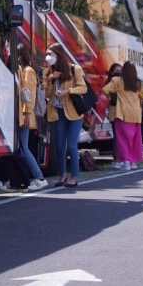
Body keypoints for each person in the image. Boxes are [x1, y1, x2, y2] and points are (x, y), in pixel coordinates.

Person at [43, 43, 88, 188]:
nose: (48, 57)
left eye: (51, 54)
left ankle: (74, 177)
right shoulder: (47, 72)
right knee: (59, 146)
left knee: (72, 147)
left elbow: (83, 88)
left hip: (74, 113)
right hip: (57, 112)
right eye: (47, 54)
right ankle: (62, 175)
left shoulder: (75, 69)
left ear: (59, 55)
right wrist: (50, 80)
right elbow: (47, 94)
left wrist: (67, 91)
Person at [103, 61, 143, 170]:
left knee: (122, 139)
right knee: (134, 139)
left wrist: (112, 97)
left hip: (122, 113)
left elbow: (105, 90)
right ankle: (133, 162)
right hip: (136, 114)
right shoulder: (138, 83)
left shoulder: (117, 80)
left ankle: (126, 162)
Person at [16, 44, 47, 192]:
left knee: (24, 147)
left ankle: (39, 177)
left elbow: (28, 95)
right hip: (24, 114)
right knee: (23, 147)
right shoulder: (26, 70)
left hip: (25, 115)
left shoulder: (28, 71)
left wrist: (26, 113)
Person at [105, 63, 123, 169]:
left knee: (120, 136)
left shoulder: (120, 81)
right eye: (117, 71)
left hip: (121, 111)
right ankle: (116, 158)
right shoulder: (111, 82)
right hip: (114, 111)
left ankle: (120, 158)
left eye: (120, 71)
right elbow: (105, 91)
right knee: (117, 136)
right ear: (112, 72)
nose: (119, 73)